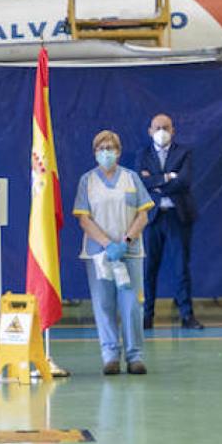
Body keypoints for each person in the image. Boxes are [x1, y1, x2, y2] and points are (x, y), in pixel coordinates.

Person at [71, 130, 154, 375]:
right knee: (104, 304)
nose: (106, 152)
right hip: (99, 254)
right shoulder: (87, 181)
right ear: (95, 152)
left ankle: (135, 355)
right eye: (101, 148)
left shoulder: (131, 179)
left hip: (129, 252)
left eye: (110, 148)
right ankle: (110, 355)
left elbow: (143, 215)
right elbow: (84, 219)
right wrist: (108, 244)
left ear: (118, 151)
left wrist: (125, 241)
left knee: (131, 305)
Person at [136, 113, 202, 331]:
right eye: (157, 127)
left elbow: (184, 182)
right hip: (152, 218)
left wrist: (156, 182)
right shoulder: (143, 154)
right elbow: (141, 183)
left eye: (165, 127)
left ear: (173, 130)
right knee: (149, 269)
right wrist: (167, 177)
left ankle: (187, 315)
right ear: (149, 131)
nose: (161, 132)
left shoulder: (184, 153)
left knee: (181, 267)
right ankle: (147, 316)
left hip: (178, 216)